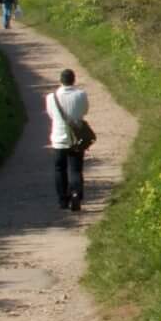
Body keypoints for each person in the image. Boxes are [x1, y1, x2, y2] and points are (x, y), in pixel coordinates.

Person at [46, 67, 92, 212]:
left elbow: (51, 115)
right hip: (76, 139)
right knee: (76, 169)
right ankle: (76, 195)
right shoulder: (81, 94)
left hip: (58, 139)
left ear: (60, 81)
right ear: (74, 80)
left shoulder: (51, 97)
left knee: (60, 169)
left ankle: (62, 201)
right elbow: (85, 111)